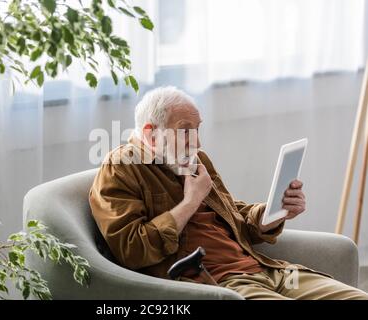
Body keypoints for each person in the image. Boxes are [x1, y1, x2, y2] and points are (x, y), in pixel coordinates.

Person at [89, 86, 368, 300]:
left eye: (197, 130)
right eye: (185, 131)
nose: (196, 143)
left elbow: (233, 214)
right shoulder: (120, 168)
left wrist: (273, 212)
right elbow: (132, 249)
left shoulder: (196, 161)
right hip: (221, 283)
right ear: (151, 134)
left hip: (269, 270)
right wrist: (190, 201)